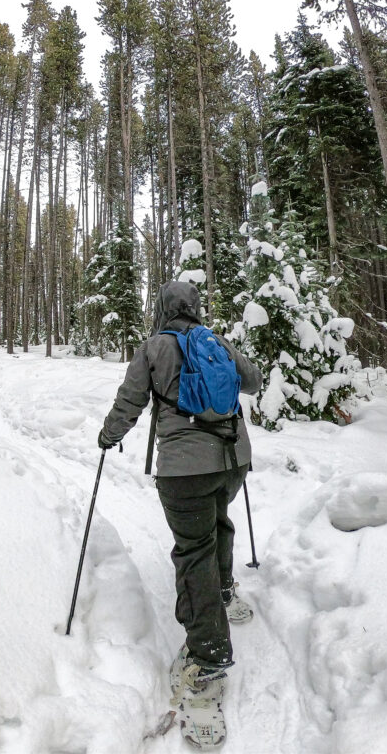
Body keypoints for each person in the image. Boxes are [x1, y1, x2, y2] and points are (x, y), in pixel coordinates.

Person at [97, 281, 262, 731]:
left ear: (164, 309)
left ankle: (208, 657)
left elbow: (130, 402)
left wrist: (108, 435)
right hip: (233, 461)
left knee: (193, 551)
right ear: (195, 308)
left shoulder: (152, 348)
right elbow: (254, 381)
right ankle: (225, 589)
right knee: (217, 521)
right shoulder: (217, 341)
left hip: (184, 469)